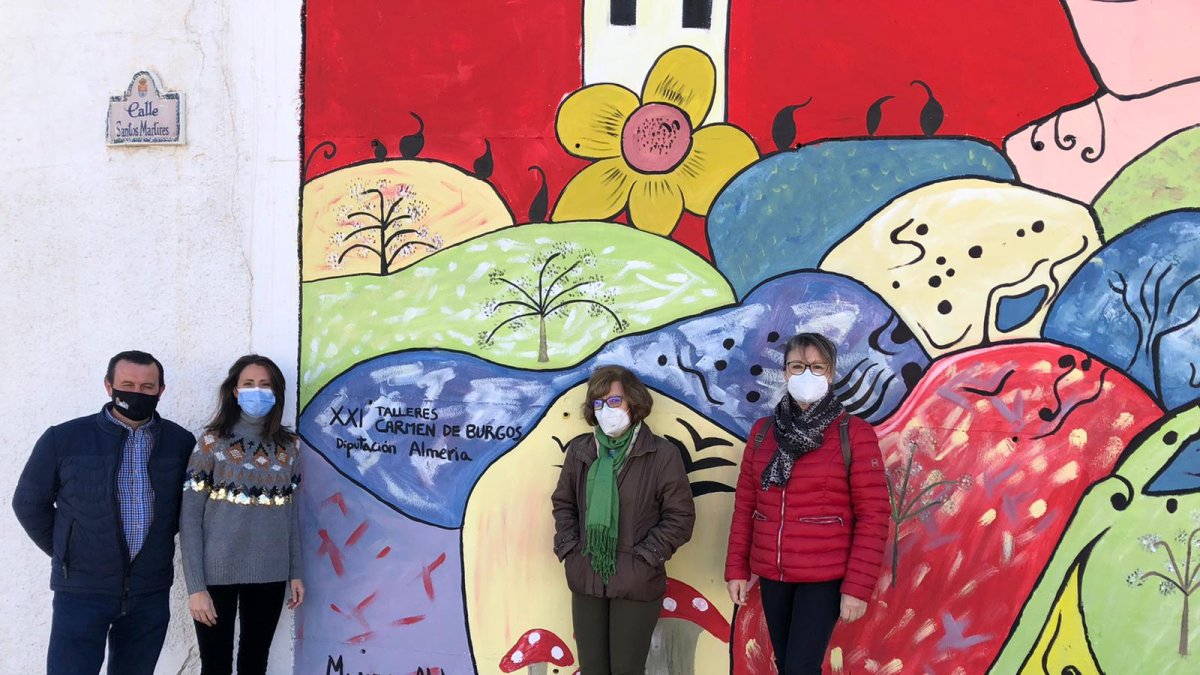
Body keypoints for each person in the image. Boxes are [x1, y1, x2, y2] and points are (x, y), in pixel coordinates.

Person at [12, 350, 196, 675]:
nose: (136, 393)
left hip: (149, 591)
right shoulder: (64, 439)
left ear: (161, 391)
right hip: (82, 592)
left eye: (147, 387)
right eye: (127, 384)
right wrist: (69, 552)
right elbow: (28, 503)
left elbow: (185, 510)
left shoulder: (180, 442)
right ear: (109, 386)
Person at [725, 333, 889, 675]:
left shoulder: (853, 433)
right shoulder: (763, 432)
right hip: (775, 573)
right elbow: (745, 506)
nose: (806, 375)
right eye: (797, 366)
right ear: (785, 372)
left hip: (824, 576)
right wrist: (737, 568)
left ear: (829, 374)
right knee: (788, 666)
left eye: (816, 367)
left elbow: (873, 516)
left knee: (799, 668)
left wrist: (857, 588)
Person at [551, 365, 696, 675]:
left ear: (634, 402)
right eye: (599, 403)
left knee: (627, 670)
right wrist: (572, 551)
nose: (606, 410)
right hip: (586, 576)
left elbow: (680, 517)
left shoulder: (661, 454)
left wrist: (644, 559)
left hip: (636, 582)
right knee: (592, 669)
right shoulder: (581, 450)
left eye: (614, 401)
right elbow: (563, 504)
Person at [181, 354, 304, 675]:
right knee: (216, 665)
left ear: (277, 392)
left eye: (265, 384)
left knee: (255, 662)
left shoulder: (289, 447)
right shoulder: (211, 443)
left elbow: (290, 513)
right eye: (248, 384)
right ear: (235, 391)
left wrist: (296, 570)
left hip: (271, 572)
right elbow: (190, 517)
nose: (257, 391)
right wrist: (196, 587)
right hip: (215, 574)